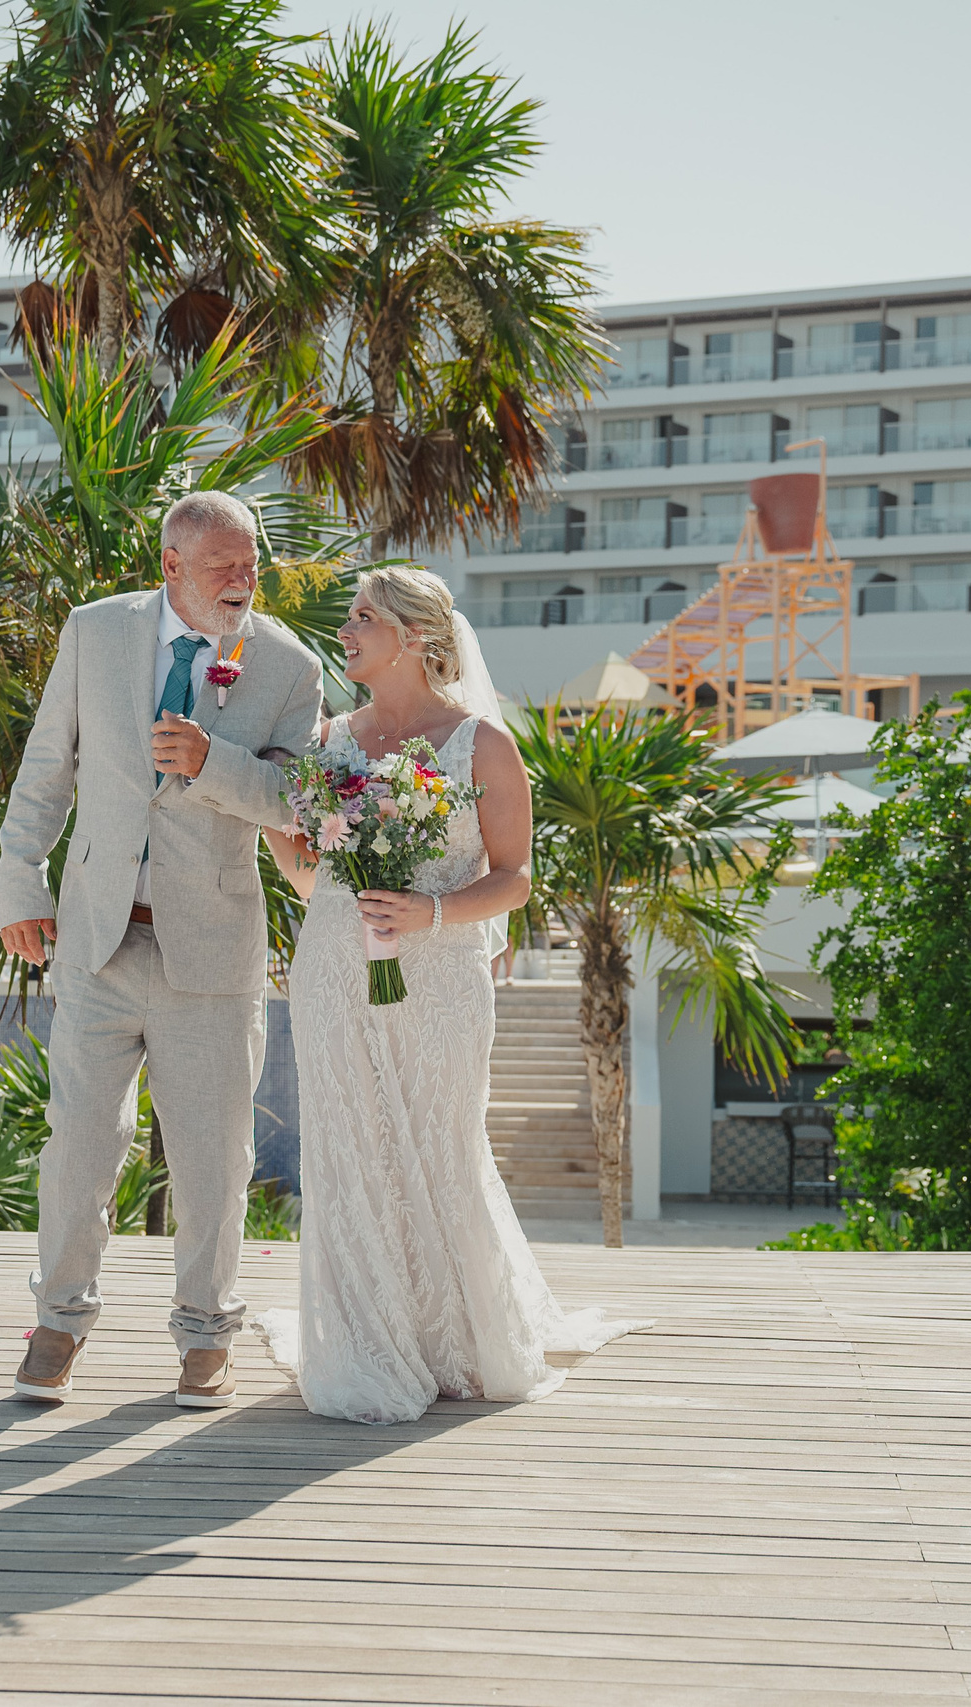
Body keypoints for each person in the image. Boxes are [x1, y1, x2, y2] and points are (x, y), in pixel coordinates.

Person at [259, 567, 643, 1425]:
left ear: (418, 637)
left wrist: (430, 909)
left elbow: (514, 878)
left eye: (364, 617)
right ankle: (365, 1338)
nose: (346, 629)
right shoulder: (328, 740)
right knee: (349, 1144)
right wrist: (259, 816)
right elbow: (304, 870)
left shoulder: (482, 746)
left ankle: (453, 1338)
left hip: (439, 976)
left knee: (438, 1140)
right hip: (330, 967)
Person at [0, 490, 323, 1408]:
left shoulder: (290, 665)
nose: (243, 579)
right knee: (79, 1150)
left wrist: (210, 762)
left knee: (215, 1159)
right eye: (223, 565)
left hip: (213, 953)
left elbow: (300, 800)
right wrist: (20, 885)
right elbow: (45, 767)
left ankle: (207, 1334)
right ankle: (58, 1323)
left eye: (250, 562)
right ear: (171, 564)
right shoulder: (95, 633)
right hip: (97, 941)